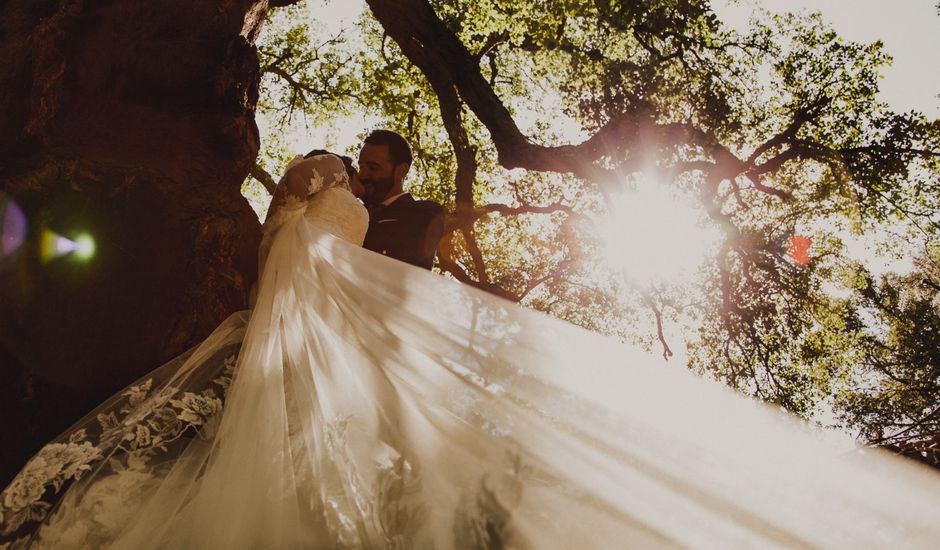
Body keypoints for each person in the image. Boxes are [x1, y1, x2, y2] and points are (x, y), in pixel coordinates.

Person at [2, 154, 940, 548]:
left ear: (397, 171)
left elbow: (428, 249)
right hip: (304, 295)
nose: (373, 167)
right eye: (371, 156)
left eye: (386, 161)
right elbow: (290, 224)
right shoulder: (322, 180)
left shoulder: (395, 212)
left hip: (345, 298)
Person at [359, 130, 445, 269]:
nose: (363, 175)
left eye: (373, 168)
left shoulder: (424, 213)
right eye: (361, 166)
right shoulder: (356, 209)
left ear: (401, 170)